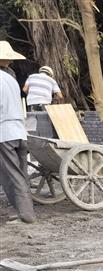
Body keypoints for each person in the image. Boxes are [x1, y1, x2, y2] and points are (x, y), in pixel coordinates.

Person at [0, 40, 36, 224]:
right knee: (21, 174)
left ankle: (27, 216)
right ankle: (25, 211)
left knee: (12, 176)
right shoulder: (11, 78)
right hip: (20, 131)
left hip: (5, 134)